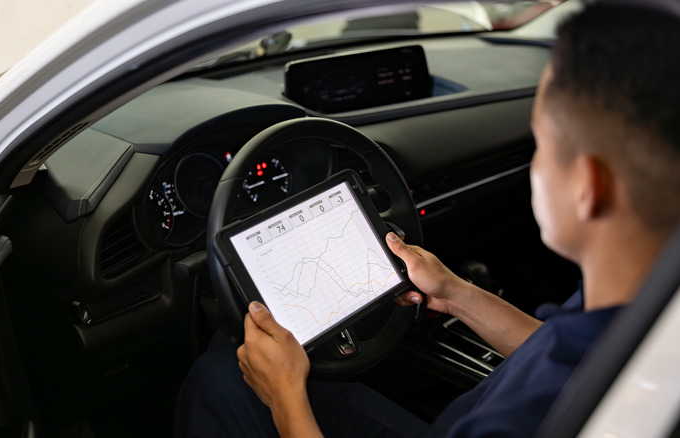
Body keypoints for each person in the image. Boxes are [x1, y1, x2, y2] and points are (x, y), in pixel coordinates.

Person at [175, 1, 680, 436]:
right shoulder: (641, 305)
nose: (535, 165)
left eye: (543, 147)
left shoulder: (514, 421)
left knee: (219, 379)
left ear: (587, 187)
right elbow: (562, 355)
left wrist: (287, 398)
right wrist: (457, 293)